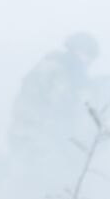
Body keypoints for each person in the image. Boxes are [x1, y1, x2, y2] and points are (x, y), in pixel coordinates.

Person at [6, 32, 101, 163]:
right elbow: (63, 109)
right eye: (86, 56)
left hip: (32, 136)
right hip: (33, 138)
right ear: (75, 51)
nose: (88, 62)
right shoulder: (56, 71)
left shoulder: (61, 70)